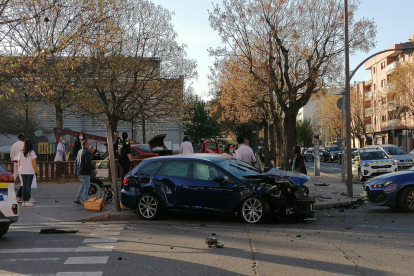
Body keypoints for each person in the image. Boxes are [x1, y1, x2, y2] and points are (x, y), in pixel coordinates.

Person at [74, 140, 97, 204]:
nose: (90, 145)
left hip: (79, 171)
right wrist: (94, 169)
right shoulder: (87, 152)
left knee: (82, 185)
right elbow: (88, 163)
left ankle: (77, 198)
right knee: (86, 186)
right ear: (86, 145)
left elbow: (77, 161)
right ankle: (86, 200)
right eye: (89, 144)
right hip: (85, 171)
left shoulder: (80, 151)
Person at [18, 139, 38, 207]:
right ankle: (27, 201)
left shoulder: (21, 152)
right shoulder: (32, 152)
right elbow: (34, 164)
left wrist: (20, 168)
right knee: (28, 186)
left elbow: (19, 162)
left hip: (22, 171)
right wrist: (36, 171)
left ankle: (24, 201)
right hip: (30, 171)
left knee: (24, 185)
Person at [11, 133, 25, 202]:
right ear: (22, 137)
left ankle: (11, 185)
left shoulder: (14, 144)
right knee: (21, 174)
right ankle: (22, 184)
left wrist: (12, 160)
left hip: (15, 160)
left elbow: (12, 153)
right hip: (21, 160)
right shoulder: (23, 144)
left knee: (15, 173)